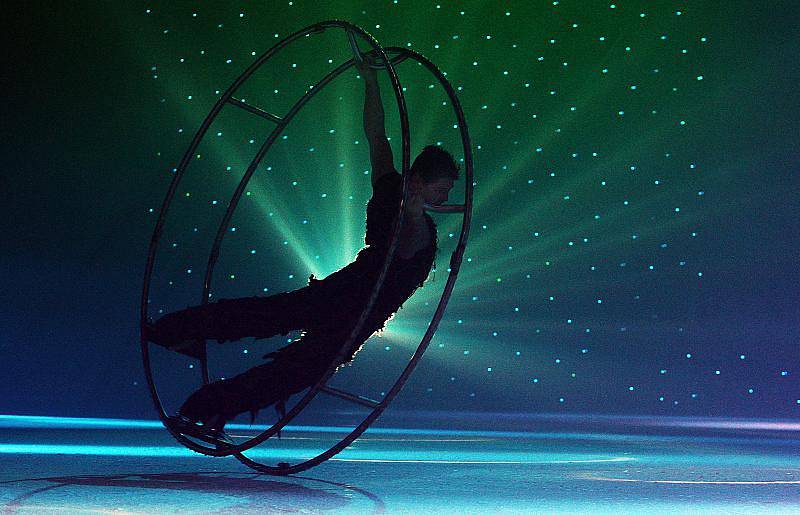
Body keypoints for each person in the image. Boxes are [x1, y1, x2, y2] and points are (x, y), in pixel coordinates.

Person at [143, 55, 459, 440]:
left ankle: (183, 351)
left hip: (345, 294)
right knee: (285, 357)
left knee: (274, 328)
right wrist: (371, 80)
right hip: (352, 308)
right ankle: (194, 383)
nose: (444, 198)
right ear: (418, 181)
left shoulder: (395, 191)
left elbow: (377, 137)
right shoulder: (412, 218)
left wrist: (373, 80)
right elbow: (402, 242)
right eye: (440, 190)